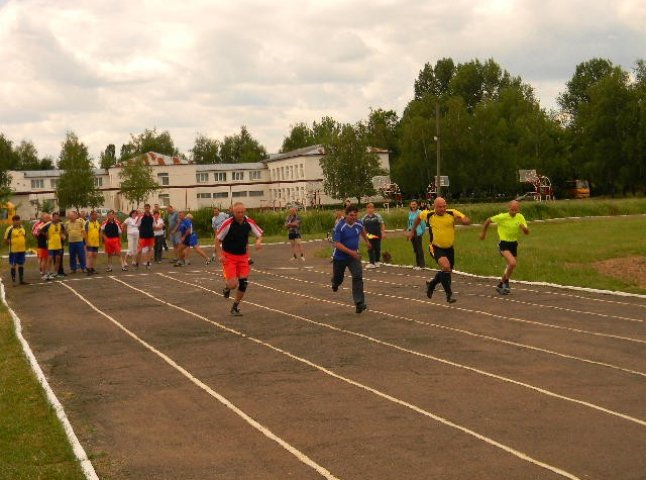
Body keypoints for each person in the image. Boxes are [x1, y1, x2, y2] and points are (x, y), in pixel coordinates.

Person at [409, 197, 471, 303]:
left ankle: (431, 284)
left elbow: (466, 219)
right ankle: (449, 295)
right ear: (434, 207)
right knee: (446, 267)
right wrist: (412, 231)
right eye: (439, 207)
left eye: (444, 206)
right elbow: (417, 219)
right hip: (435, 247)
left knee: (447, 271)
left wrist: (465, 221)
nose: (442, 209)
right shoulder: (428, 214)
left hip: (449, 248)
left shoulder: (452, 213)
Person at [214, 202, 263, 316]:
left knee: (243, 283)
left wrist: (258, 241)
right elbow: (217, 240)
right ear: (233, 212)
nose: (240, 214)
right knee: (232, 285)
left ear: (244, 211)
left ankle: (235, 306)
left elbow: (259, 234)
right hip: (229, 257)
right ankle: (227, 288)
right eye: (238, 212)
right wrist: (220, 254)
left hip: (243, 257)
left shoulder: (248, 222)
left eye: (242, 212)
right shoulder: (228, 223)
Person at [480, 200, 530, 295]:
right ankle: (506, 282)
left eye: (515, 210)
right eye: (512, 210)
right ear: (508, 208)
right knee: (512, 263)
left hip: (513, 244)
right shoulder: (502, 217)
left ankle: (500, 284)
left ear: (518, 209)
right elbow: (488, 221)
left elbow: (526, 232)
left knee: (510, 266)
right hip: (503, 244)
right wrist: (483, 233)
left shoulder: (520, 217)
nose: (513, 212)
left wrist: (525, 229)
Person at [331, 204, 371, 313]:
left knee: (358, 276)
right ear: (346, 215)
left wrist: (367, 241)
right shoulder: (340, 226)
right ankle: (335, 283)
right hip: (340, 257)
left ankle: (359, 303)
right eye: (351, 215)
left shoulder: (358, 223)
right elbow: (337, 244)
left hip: (354, 257)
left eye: (355, 215)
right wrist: (351, 252)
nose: (353, 217)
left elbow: (362, 230)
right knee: (338, 279)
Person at [40, 212, 66, 280]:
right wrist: (47, 235)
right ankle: (48, 273)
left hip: (58, 244)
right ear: (53, 217)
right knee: (50, 259)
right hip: (51, 244)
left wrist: (62, 235)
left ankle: (56, 273)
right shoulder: (49, 224)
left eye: (58, 217)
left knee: (58, 258)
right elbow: (41, 230)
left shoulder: (60, 224)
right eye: (55, 217)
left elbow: (63, 231)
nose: (57, 218)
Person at [4, 215, 28, 285]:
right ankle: (13, 281)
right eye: (16, 220)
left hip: (22, 249)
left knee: (21, 264)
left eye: (18, 220)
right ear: (13, 221)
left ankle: (21, 280)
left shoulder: (22, 228)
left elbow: (25, 236)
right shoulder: (10, 229)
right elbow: (5, 239)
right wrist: (12, 244)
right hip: (13, 250)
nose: (18, 222)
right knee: (13, 264)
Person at [361, 202, 386, 268]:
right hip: (369, 235)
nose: (370, 209)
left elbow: (382, 224)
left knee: (377, 248)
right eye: (368, 208)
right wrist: (364, 234)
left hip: (377, 234)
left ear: (373, 209)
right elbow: (362, 226)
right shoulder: (364, 217)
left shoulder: (378, 216)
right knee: (370, 248)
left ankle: (377, 261)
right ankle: (371, 262)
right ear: (367, 209)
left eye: (371, 208)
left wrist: (383, 232)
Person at [407, 200, 426, 270]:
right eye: (412, 204)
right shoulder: (410, 213)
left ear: (417, 205)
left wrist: (422, 231)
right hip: (412, 232)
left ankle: (422, 265)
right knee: (415, 249)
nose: (413, 206)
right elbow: (409, 223)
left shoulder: (420, 212)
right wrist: (408, 231)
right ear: (410, 205)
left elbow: (423, 223)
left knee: (419, 248)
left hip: (418, 232)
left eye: (414, 204)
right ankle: (418, 264)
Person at [136, 204, 155, 270]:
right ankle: (137, 264)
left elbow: (153, 225)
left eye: (148, 208)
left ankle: (148, 263)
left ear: (149, 208)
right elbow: (138, 226)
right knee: (139, 250)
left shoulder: (152, 217)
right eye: (146, 208)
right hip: (143, 236)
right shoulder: (141, 217)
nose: (147, 209)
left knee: (149, 249)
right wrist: (142, 232)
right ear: (144, 209)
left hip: (150, 235)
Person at [32, 213, 51, 278]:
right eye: (47, 218)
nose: (49, 219)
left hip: (44, 243)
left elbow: (35, 233)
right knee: (43, 259)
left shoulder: (44, 224)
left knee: (45, 259)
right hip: (43, 244)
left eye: (49, 217)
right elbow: (36, 233)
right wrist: (46, 235)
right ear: (43, 218)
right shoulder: (42, 225)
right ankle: (43, 273)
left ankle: (44, 272)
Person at [84, 210, 101, 275]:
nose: (95, 216)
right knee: (90, 255)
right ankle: (88, 269)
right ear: (91, 215)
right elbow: (85, 232)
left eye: (96, 215)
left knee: (95, 255)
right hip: (89, 242)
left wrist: (100, 240)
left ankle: (93, 268)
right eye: (94, 215)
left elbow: (99, 231)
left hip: (96, 242)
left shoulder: (97, 222)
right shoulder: (87, 222)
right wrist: (86, 241)